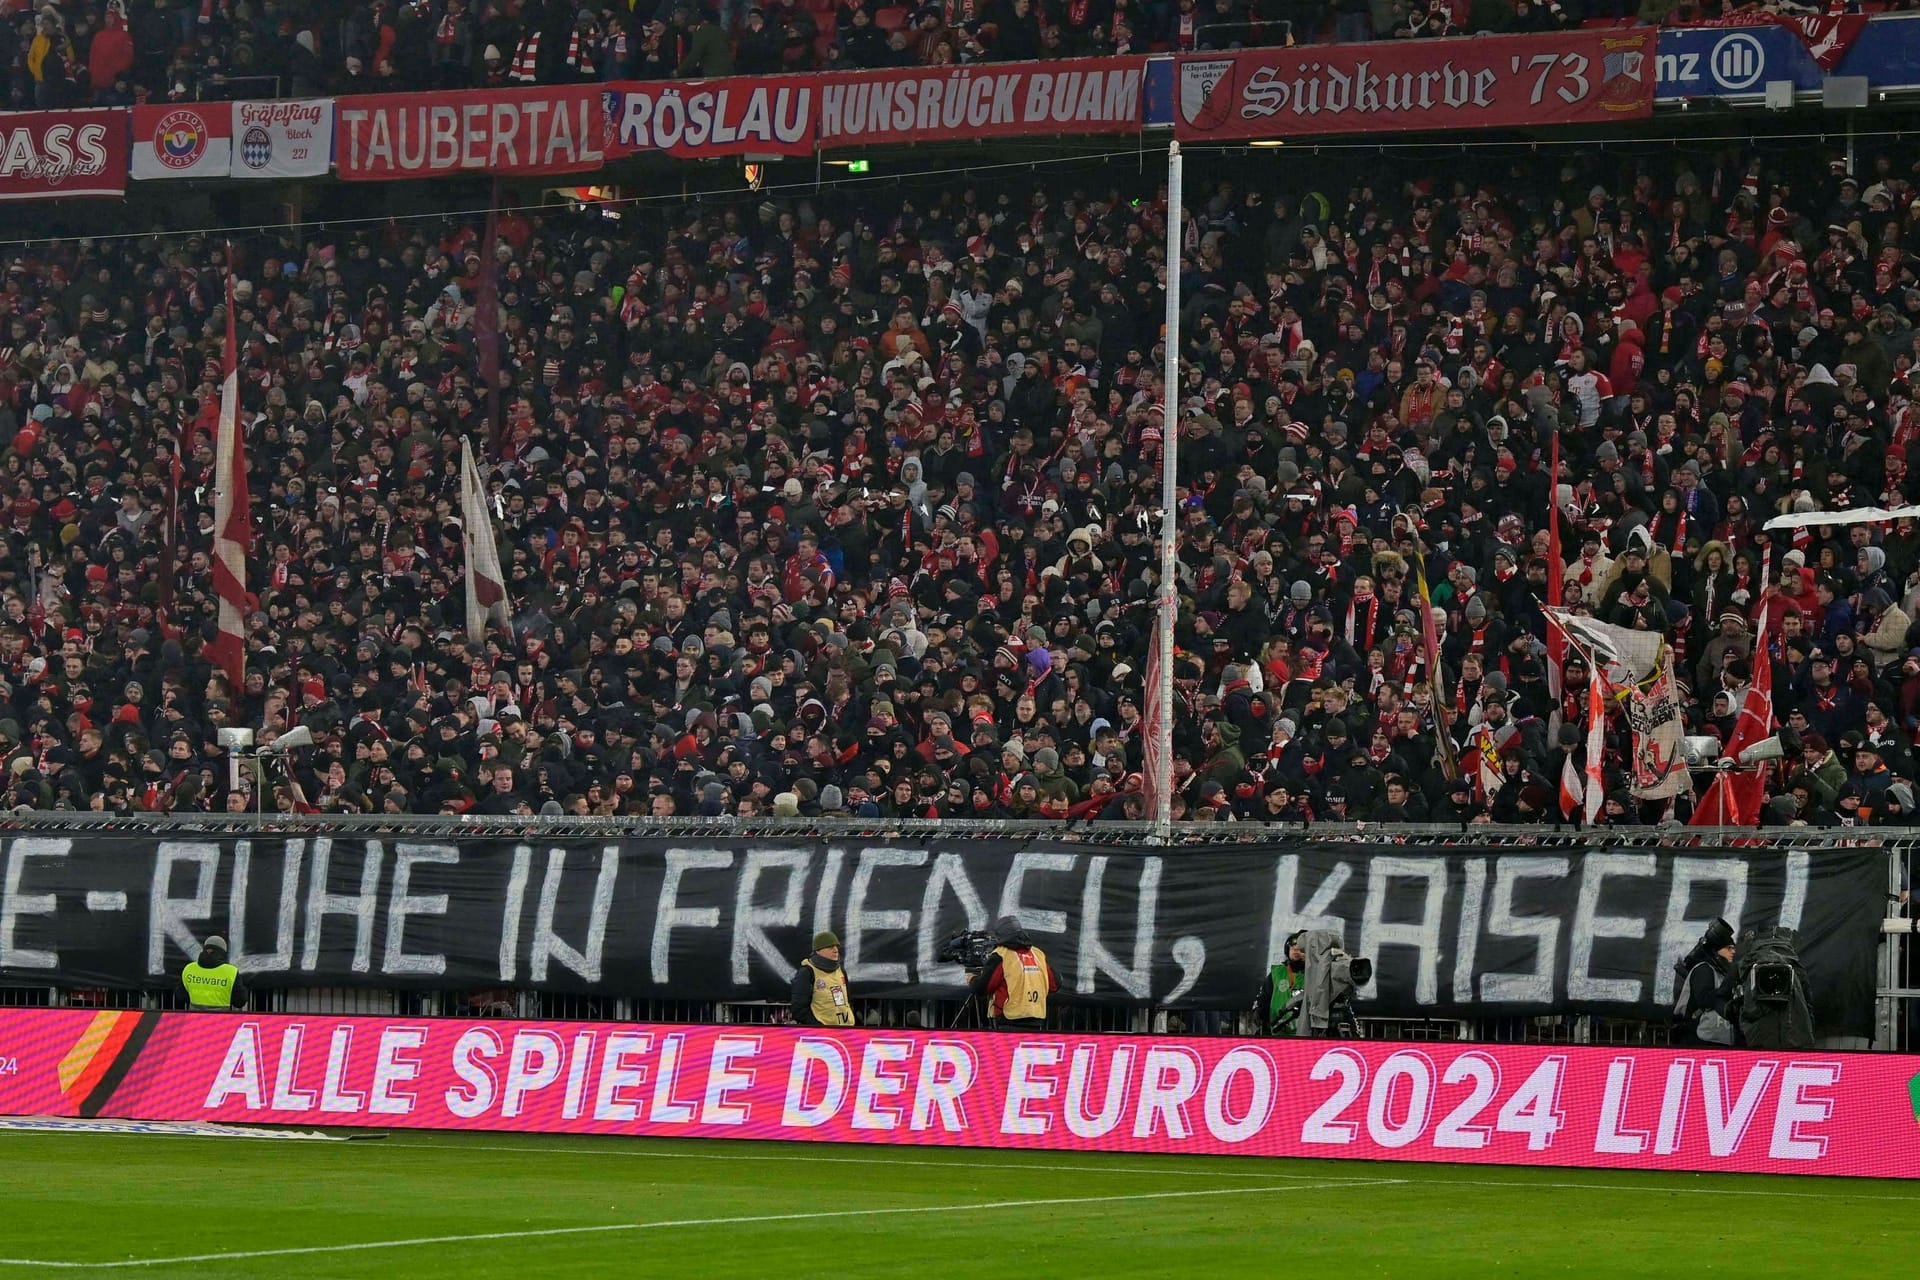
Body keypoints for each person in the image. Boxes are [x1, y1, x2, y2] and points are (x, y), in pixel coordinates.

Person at [969, 915, 1057, 1029]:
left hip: (1009, 1019)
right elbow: (1055, 985)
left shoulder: (1001, 954)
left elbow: (983, 988)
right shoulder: (1038, 953)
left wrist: (971, 978)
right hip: (1036, 1018)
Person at [1672, 918, 1738, 1045]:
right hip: (1699, 1039)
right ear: (1716, 951)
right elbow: (1704, 999)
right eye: (1729, 948)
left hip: (1717, 1040)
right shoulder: (1704, 969)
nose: (1733, 951)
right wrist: (1728, 987)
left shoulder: (1721, 972)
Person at [789, 930, 854, 1027]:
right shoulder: (807, 972)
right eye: (830, 947)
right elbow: (799, 1009)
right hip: (822, 1033)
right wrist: (818, 1026)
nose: (835, 950)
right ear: (818, 950)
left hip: (846, 1029)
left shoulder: (840, 970)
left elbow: (847, 1000)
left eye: (836, 947)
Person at [1258, 931, 1307, 1035]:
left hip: (1309, 1036)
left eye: (1301, 948)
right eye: (1292, 947)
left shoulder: (1318, 975)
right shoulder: (1277, 973)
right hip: (1278, 1034)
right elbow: (1264, 1001)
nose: (1296, 950)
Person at [181, 935, 242, 1011]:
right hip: (221, 1020)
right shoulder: (231, 971)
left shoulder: (189, 969)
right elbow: (240, 1001)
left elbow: (181, 996)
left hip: (194, 1020)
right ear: (223, 952)